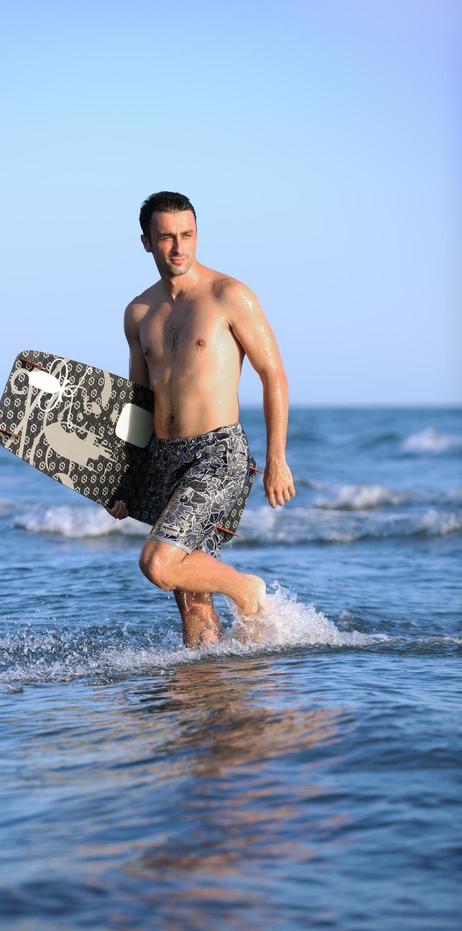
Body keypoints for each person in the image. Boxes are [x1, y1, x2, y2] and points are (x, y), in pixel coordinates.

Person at [109, 191, 295, 647]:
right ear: (146, 242)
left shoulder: (229, 296)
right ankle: (204, 690)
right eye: (167, 237)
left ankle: (247, 590)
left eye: (187, 235)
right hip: (164, 456)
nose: (179, 247)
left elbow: (273, 374)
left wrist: (277, 458)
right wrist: (125, 481)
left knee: (158, 563)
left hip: (218, 453)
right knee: (193, 605)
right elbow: (139, 403)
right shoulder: (139, 313)